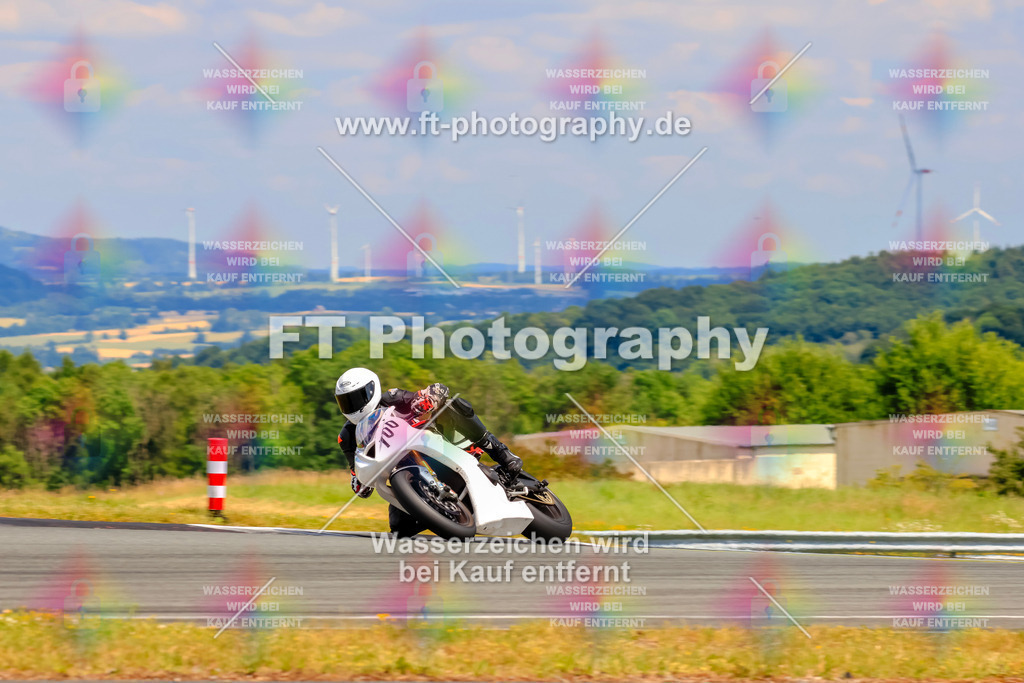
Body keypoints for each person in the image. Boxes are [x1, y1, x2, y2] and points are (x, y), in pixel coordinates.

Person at [334, 367, 523, 504]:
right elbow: (357, 472)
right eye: (346, 402)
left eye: (356, 398)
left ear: (371, 390)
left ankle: (502, 453)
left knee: (451, 405)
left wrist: (428, 398)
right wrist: (360, 482)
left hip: (435, 442)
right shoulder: (347, 437)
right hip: (405, 477)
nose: (352, 406)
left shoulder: (392, 398)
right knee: (400, 530)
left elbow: (435, 391)